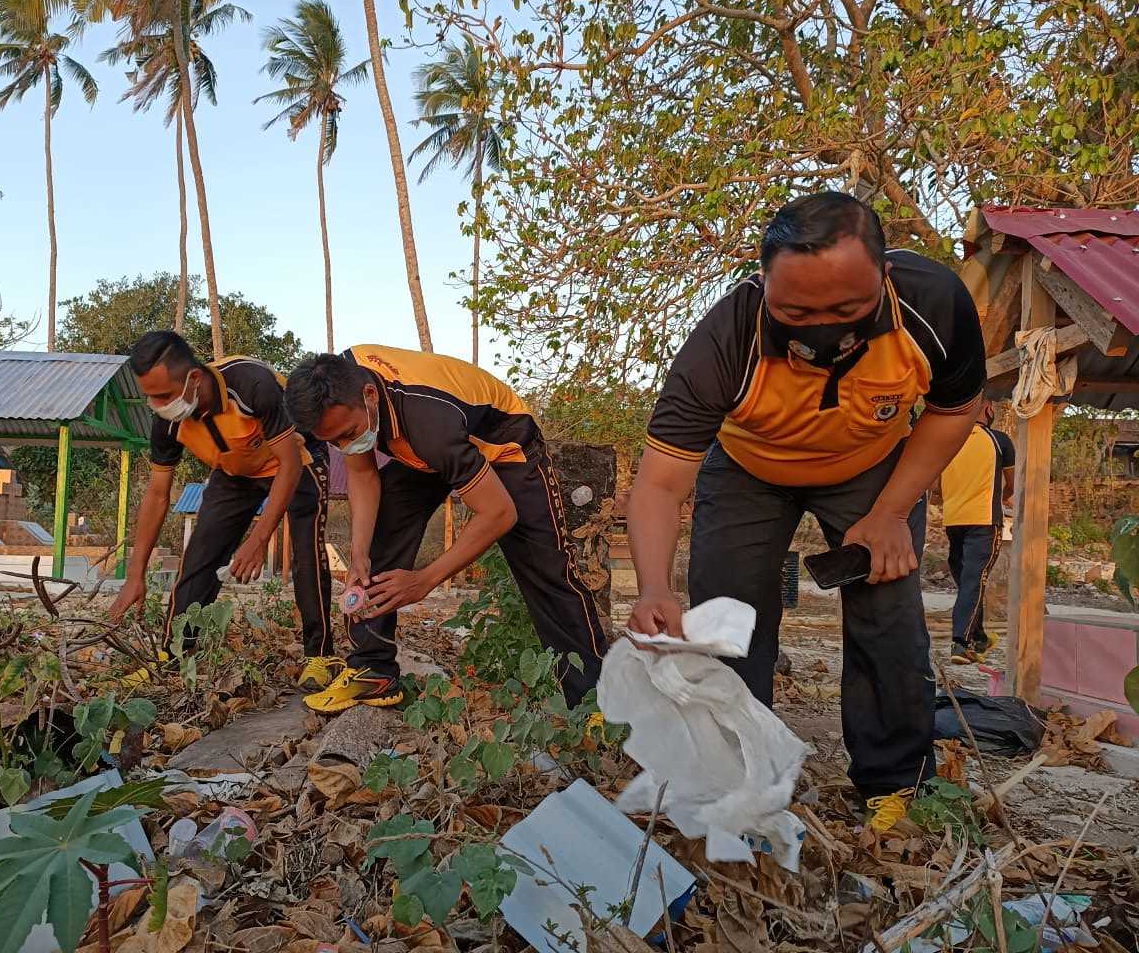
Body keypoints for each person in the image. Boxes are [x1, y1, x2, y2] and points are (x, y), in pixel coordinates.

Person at [626, 192, 985, 833]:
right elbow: (657, 486)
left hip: (872, 471)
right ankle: (733, 779)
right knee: (725, 625)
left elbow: (955, 409)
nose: (823, 328)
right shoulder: (724, 341)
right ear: (763, 282)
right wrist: (654, 585)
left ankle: (894, 782)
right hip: (746, 471)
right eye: (795, 310)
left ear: (885, 276)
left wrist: (892, 511)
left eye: (847, 308)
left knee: (889, 619)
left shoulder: (933, 305)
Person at [284, 346, 605, 713]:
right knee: (378, 532)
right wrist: (358, 556)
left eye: (349, 434)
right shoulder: (343, 387)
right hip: (423, 452)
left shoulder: (427, 419)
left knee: (549, 573)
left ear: (370, 396)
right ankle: (373, 670)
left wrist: (424, 580)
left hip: (503, 443)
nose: (345, 446)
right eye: (334, 441)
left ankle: (596, 702)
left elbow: (498, 514)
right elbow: (361, 473)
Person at [108, 331, 341, 691]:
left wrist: (259, 537)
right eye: (150, 397)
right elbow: (157, 494)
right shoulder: (167, 422)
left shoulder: (252, 386)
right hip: (234, 471)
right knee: (199, 555)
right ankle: (174, 657)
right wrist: (135, 573)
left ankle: (320, 655)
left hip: (296, 460)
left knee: (307, 553)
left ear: (194, 379)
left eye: (164, 395)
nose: (157, 405)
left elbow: (290, 465)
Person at [940, 398, 1015, 665]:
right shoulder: (999, 440)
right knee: (973, 581)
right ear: (987, 408)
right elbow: (1011, 484)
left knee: (968, 582)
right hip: (984, 521)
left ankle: (980, 637)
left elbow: (937, 488)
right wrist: (1003, 497)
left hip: (953, 521)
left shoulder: (950, 440)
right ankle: (960, 643)